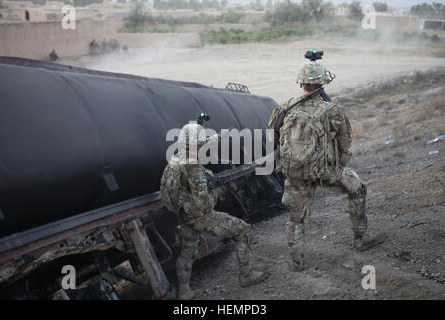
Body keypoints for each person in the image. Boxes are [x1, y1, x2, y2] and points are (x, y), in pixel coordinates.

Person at [269, 61, 387, 272]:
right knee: (357, 188)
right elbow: (345, 142)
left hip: (296, 173)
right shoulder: (332, 110)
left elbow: (275, 138)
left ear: (301, 83)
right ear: (322, 83)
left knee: (297, 218)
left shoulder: (285, 107)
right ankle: (361, 239)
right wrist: (339, 164)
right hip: (324, 170)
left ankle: (297, 263)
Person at [160, 122, 269, 300]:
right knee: (242, 229)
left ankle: (185, 291)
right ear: (198, 143)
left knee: (186, 252)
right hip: (200, 215)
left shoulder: (176, 159)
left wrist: (219, 136)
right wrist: (219, 191)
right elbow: (205, 204)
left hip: (185, 215)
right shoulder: (194, 168)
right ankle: (246, 275)